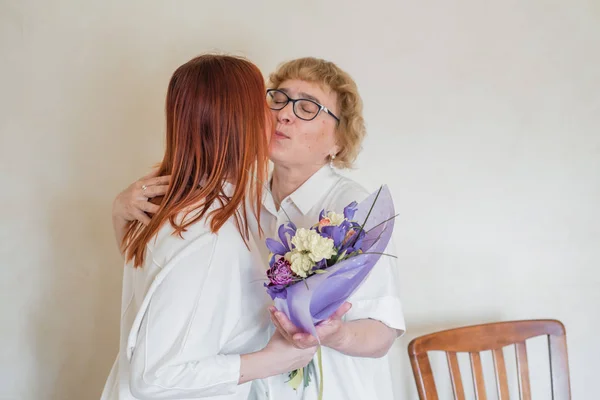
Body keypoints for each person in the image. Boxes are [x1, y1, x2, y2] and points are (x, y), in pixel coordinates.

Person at [112, 57, 406, 399]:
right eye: (278, 99)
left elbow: (383, 333)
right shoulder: (241, 203)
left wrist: (333, 333)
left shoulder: (355, 210)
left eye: (307, 107)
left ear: (338, 142)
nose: (284, 114)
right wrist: (120, 213)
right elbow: (167, 281)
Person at [101, 54, 317, 400]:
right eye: (265, 101)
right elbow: (155, 377)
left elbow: (154, 286)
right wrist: (272, 360)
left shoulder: (170, 206)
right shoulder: (209, 236)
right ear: (240, 119)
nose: (276, 114)